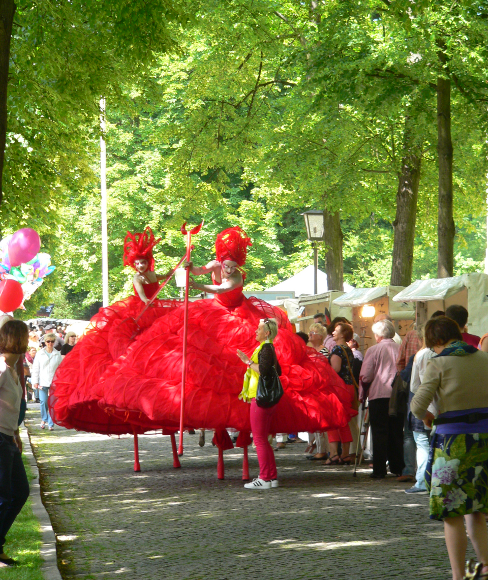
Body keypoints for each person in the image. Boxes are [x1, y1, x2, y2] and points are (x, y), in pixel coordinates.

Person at [78, 227, 356, 446]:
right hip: (212, 313)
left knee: (234, 366)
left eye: (234, 264)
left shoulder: (236, 278)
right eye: (227, 263)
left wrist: (197, 284)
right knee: (186, 354)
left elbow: (221, 289)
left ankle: (245, 429)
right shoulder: (216, 264)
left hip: (236, 315)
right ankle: (220, 432)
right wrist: (190, 269)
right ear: (222, 260)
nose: (230, 267)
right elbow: (201, 270)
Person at [49, 227, 180, 435]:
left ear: (148, 262)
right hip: (144, 311)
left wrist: (171, 273)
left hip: (157, 311)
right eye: (136, 263)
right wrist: (148, 301)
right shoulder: (137, 279)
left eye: (143, 262)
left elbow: (161, 276)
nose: (140, 266)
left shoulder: (152, 274)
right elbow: (143, 296)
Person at [411, 316, 488, 580]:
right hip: (484, 442)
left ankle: (458, 576)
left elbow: (417, 406)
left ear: (438, 341)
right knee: (477, 508)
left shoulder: (438, 363)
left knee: (451, 512)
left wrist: (428, 417)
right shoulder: (484, 358)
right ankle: (486, 566)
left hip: (452, 445)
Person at [237, 318, 281, 489]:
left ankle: (264, 478)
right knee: (263, 439)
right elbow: (278, 370)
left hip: (260, 397)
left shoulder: (265, 348)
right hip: (266, 398)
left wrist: (247, 361)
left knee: (260, 439)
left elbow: (262, 371)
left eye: (259, 329)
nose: (256, 331)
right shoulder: (269, 348)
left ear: (267, 333)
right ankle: (271, 477)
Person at [0, 320, 30, 567]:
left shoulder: (11, 368)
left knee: (19, 493)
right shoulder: (1, 368)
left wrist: (15, 433)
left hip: (8, 437)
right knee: (5, 496)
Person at [359, 319, 403, 478]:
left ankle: (379, 469)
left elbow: (366, 375)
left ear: (378, 335)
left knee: (379, 432)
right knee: (396, 431)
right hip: (398, 396)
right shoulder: (400, 348)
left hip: (379, 395)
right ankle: (398, 466)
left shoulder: (373, 350)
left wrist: (362, 393)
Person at [327, 323, 358, 465]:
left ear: (342, 334)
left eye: (336, 331)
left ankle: (334, 453)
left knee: (334, 420)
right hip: (349, 387)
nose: (333, 332)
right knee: (344, 421)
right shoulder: (347, 349)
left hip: (339, 388)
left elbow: (335, 369)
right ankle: (345, 453)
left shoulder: (337, 349)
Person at [306, 323, 330, 460]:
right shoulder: (309, 350)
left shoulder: (323, 351)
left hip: (319, 388)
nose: (310, 335)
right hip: (310, 387)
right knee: (314, 419)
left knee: (320, 418)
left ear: (320, 337)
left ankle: (322, 450)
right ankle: (319, 448)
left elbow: (323, 370)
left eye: (313, 333)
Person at [32, 333, 62, 430]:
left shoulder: (57, 354)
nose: (50, 343)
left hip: (54, 382)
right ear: (45, 342)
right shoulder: (40, 354)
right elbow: (36, 368)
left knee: (52, 403)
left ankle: (50, 423)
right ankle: (44, 419)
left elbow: (60, 369)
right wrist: (35, 381)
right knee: (43, 401)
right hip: (42, 382)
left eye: (52, 341)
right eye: (48, 341)